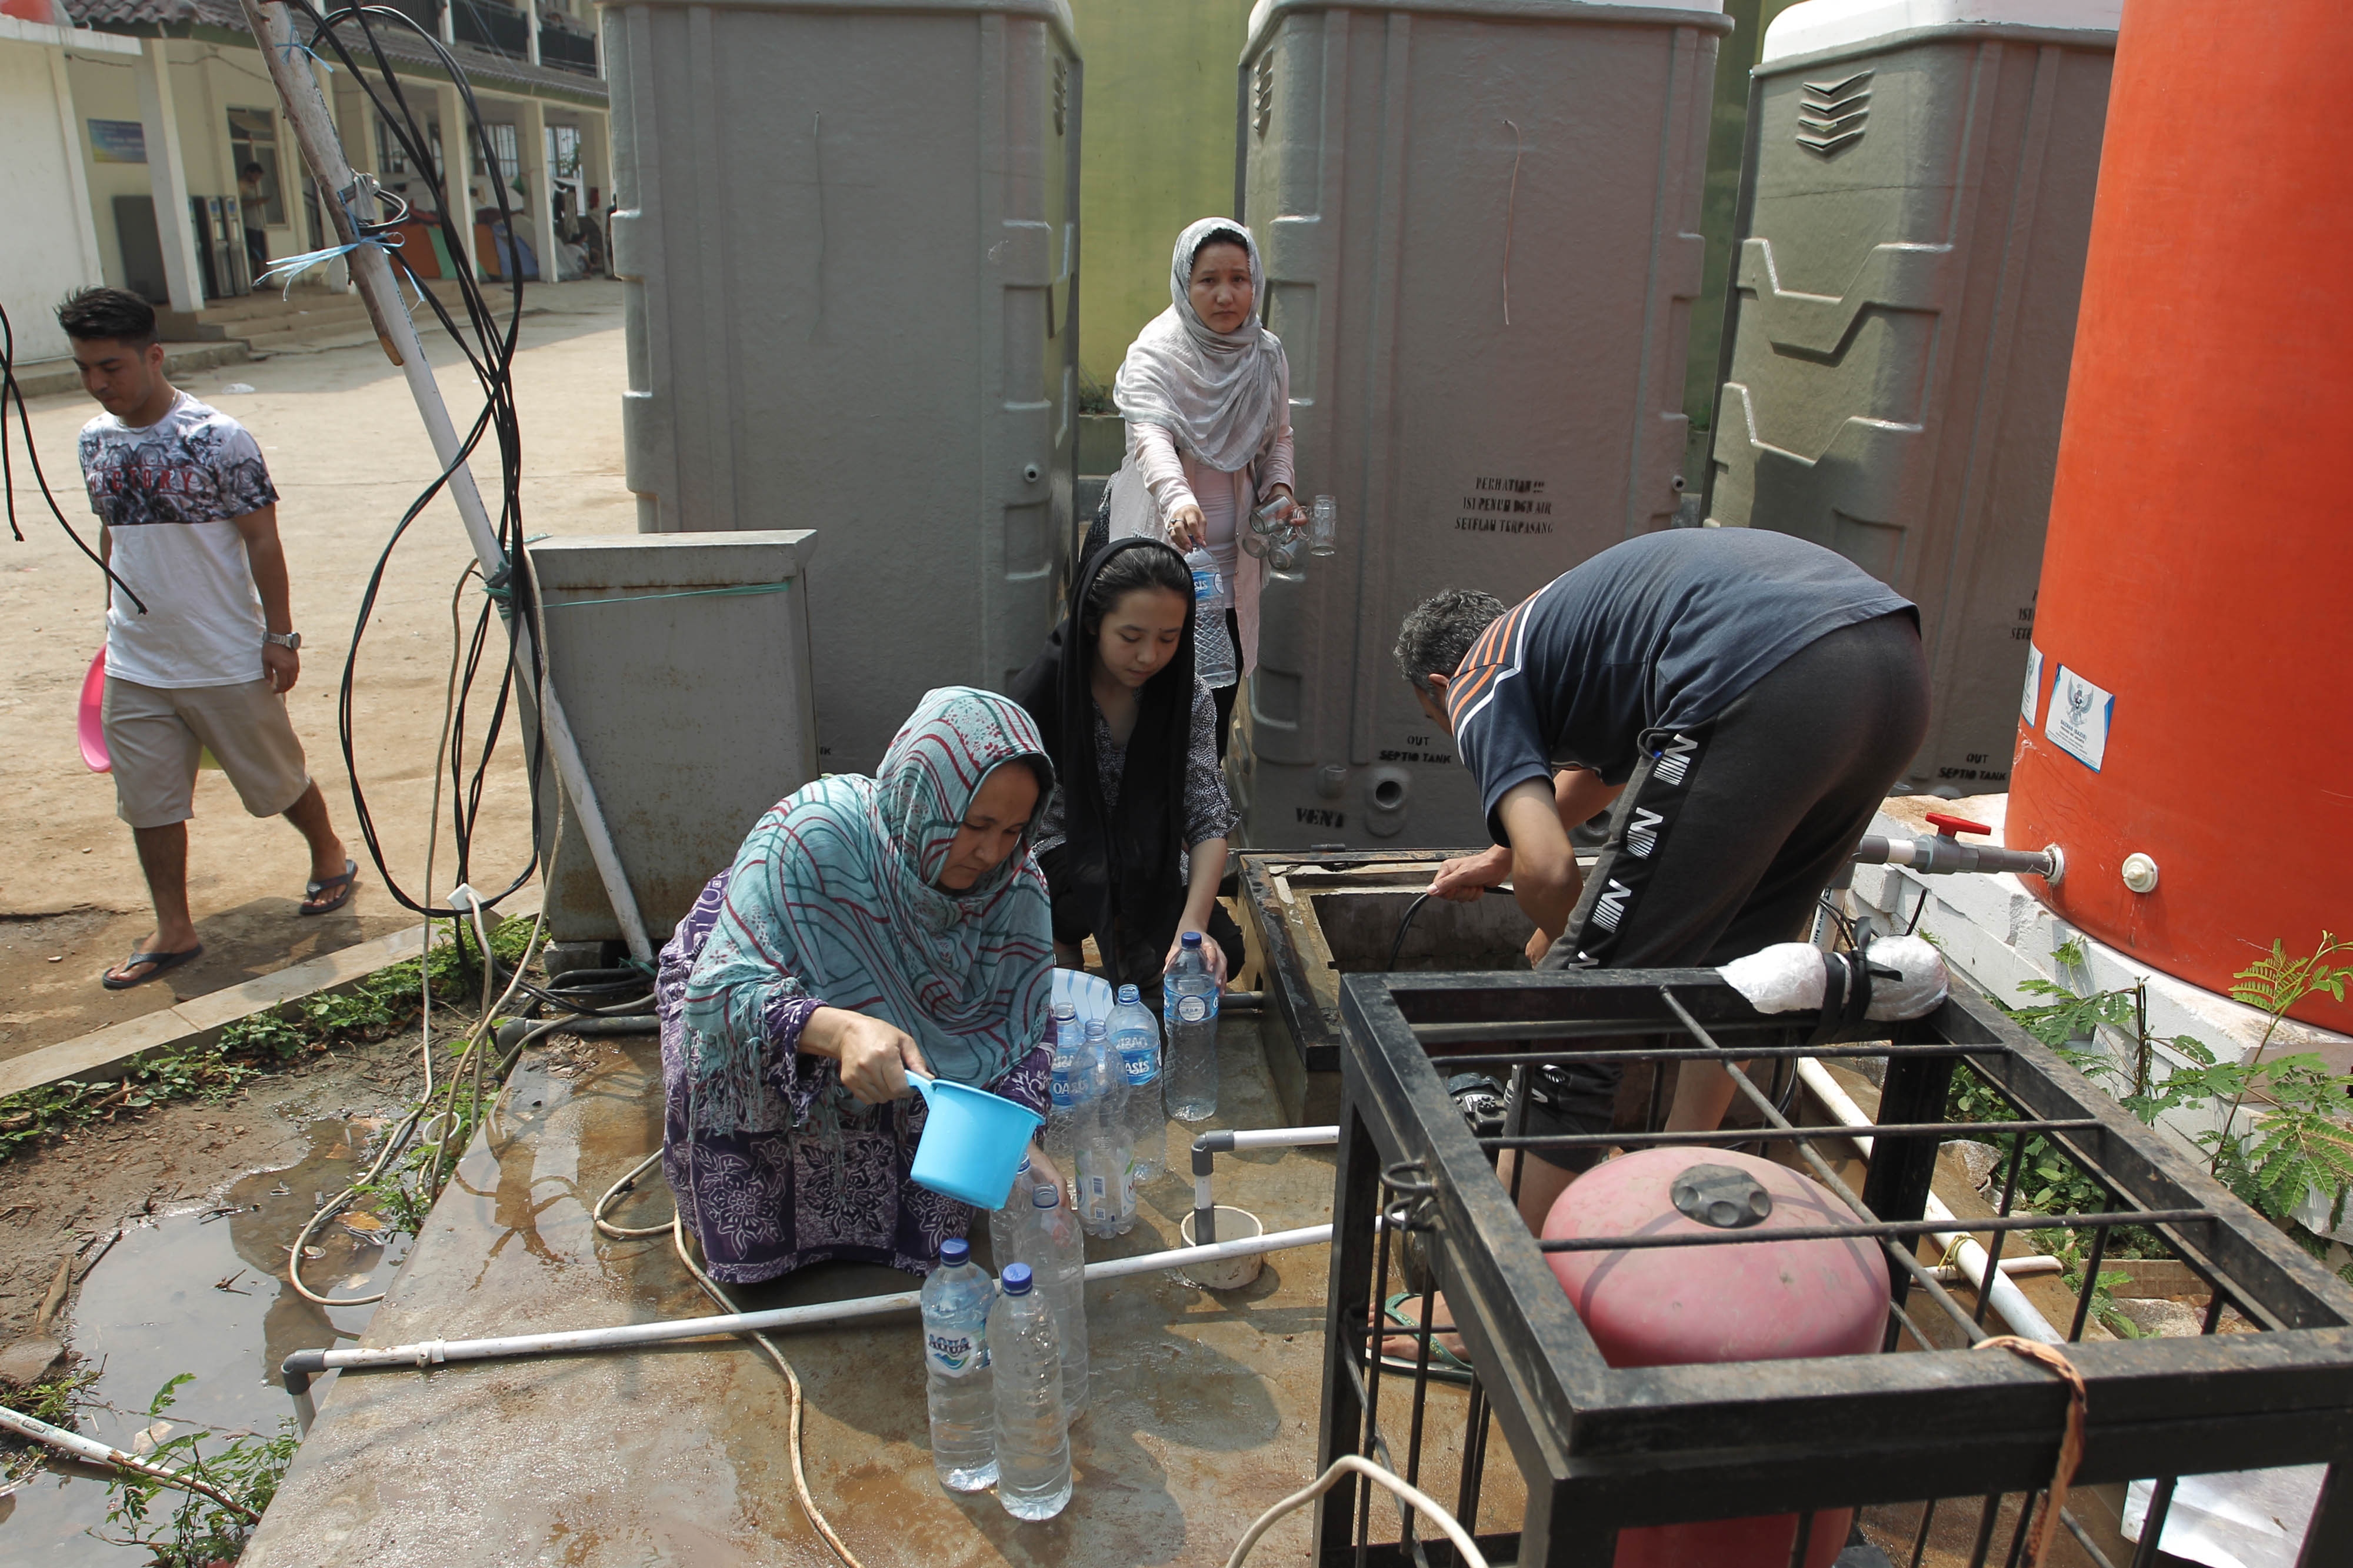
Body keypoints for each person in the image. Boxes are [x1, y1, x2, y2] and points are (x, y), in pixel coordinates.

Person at [1395, 528, 1928, 1222]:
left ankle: (1500, 1277)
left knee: (1580, 1013)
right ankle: (1679, 1185)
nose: (1454, 730)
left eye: (1435, 721)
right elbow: (1602, 777)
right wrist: (1502, 855)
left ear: (1438, 687)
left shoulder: (1474, 679)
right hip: (1890, 665)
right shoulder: (1566, 639)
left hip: (1762, 670)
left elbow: (1549, 869)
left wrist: (1572, 948)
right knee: (1745, 970)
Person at [658, 688, 1061, 1283]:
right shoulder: (813, 836)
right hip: (766, 976)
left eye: (1013, 830)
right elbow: (718, 993)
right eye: (975, 824)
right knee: (730, 1056)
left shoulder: (1015, 886)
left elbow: (1024, 1026)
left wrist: (1018, 1140)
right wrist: (840, 1030)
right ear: (923, 797)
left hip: (893, 1038)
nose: (990, 852)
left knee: (936, 1094)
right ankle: (768, 1246)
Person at [61, 287, 356, 992]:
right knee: (148, 801)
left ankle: (328, 853)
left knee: (275, 778)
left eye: (111, 367)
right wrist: (110, 621)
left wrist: (279, 635)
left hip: (223, 653)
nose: (98, 383)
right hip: (136, 660)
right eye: (85, 369)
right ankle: (174, 927)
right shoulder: (94, 440)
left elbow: (262, 539)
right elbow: (112, 534)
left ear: (153, 356)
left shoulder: (218, 438)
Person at [1102, 218, 1302, 758]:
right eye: (1208, 280)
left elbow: (1279, 437)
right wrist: (1178, 500)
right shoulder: (1157, 353)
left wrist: (1280, 490)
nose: (1225, 295)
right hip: (1161, 557)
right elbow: (1150, 437)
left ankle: (1201, 803)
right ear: (1184, 285)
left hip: (1231, 570)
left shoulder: (1265, 355)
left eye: (1239, 279)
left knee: (1214, 706)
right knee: (1147, 707)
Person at [1010, 538, 1242, 993]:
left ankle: (1129, 943)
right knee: (1102, 886)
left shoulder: (1185, 696)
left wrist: (1192, 928)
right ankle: (1063, 937)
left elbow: (1207, 819)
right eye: (1131, 638)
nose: (1149, 656)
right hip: (1056, 851)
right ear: (1093, 623)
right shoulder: (1045, 692)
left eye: (1168, 639)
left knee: (1222, 953)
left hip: (1150, 853)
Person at [237, 163, 270, 282]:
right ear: (249, 173)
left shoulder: (253, 187)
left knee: (263, 255)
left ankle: (266, 281)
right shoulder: (241, 186)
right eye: (256, 176)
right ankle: (257, 282)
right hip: (249, 225)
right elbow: (238, 203)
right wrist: (256, 202)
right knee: (255, 255)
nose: (258, 179)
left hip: (257, 225)